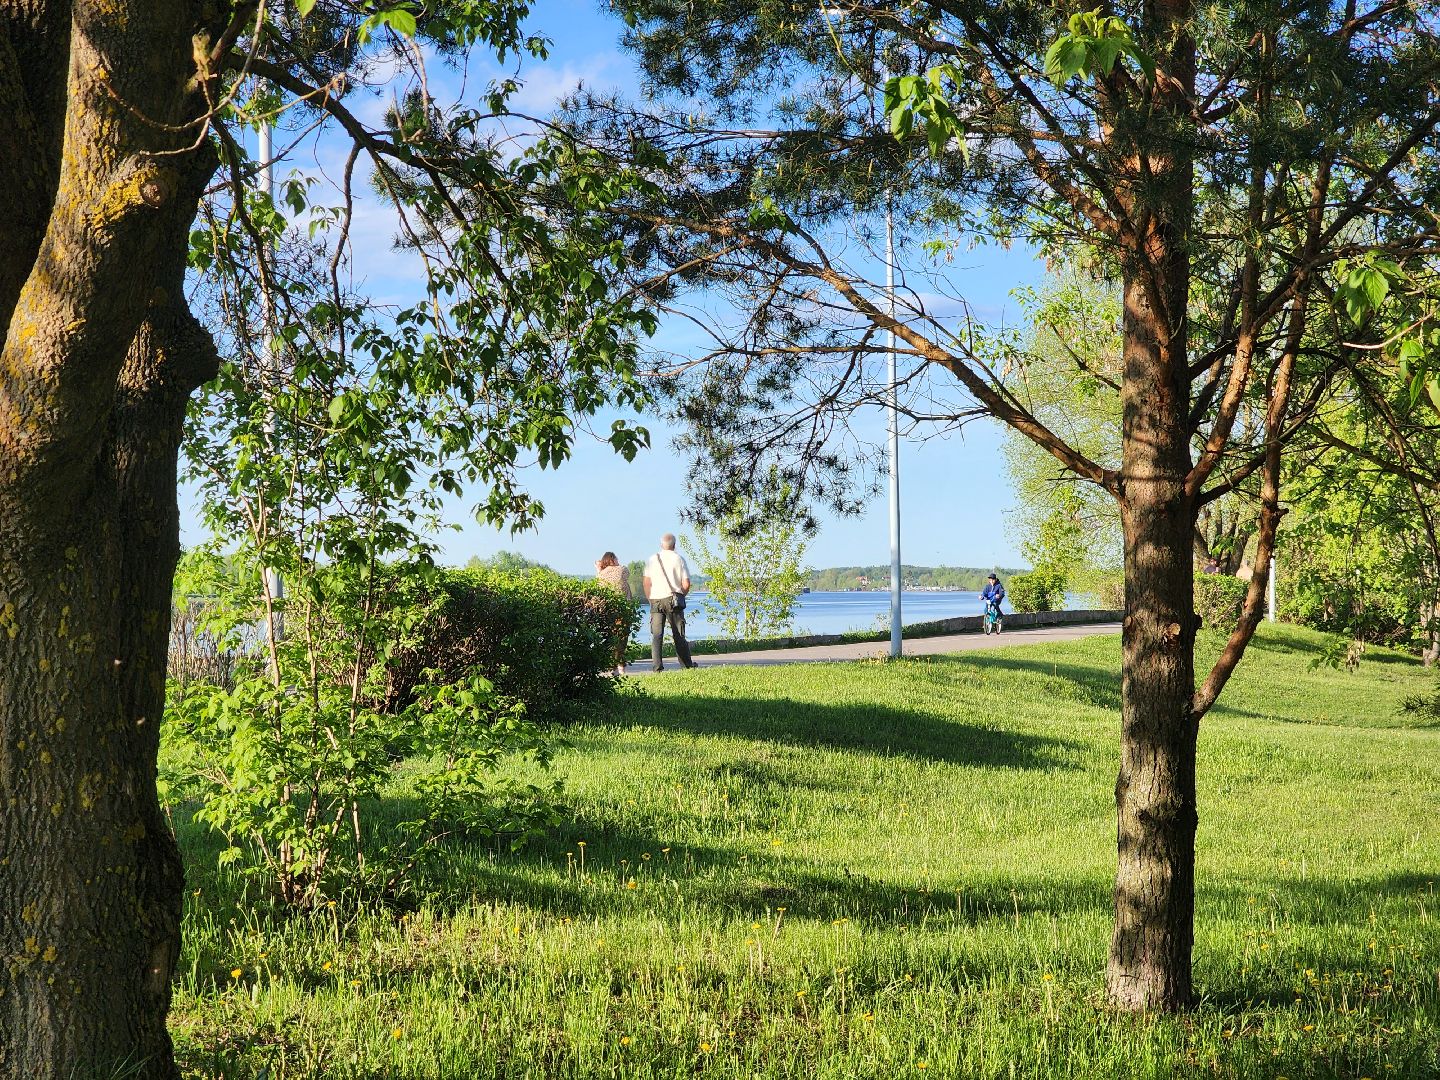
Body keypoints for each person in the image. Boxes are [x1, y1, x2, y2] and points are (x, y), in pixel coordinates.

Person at [643, 534, 696, 671]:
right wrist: (680, 595)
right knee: (678, 634)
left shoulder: (652, 559)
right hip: (673, 600)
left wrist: (650, 599)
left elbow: (647, 583)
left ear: (661, 545)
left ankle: (657, 667)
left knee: (656, 635)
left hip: (656, 599)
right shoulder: (679, 559)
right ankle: (686, 665)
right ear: (674, 544)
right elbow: (686, 583)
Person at [594, 551, 632, 676]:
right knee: (622, 638)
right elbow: (627, 574)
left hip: (608, 610)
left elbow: (598, 585)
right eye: (617, 558)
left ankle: (613, 667)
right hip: (623, 609)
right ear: (613, 559)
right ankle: (620, 665)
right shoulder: (622, 569)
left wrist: (599, 569)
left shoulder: (601, 575)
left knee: (611, 638)